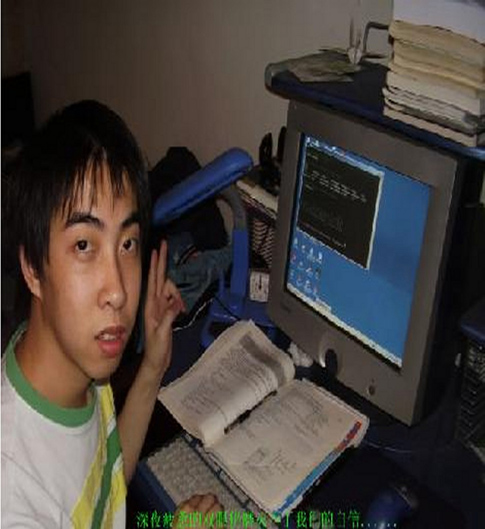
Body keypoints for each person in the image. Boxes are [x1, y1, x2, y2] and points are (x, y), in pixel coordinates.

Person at [1, 100, 222, 527]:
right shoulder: (14, 494)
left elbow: (107, 482)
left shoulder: (76, 365)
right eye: (84, 245)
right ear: (32, 268)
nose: (118, 292)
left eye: (127, 244)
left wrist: (153, 366)